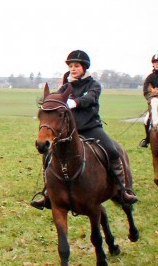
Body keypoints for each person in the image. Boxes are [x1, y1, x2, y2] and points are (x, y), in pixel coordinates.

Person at [30, 50, 138, 209]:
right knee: (48, 155)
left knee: (112, 151)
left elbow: (90, 98)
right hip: (70, 133)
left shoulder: (93, 85)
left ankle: (122, 190)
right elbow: (55, 101)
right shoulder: (65, 87)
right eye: (71, 66)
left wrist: (74, 102)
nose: (73, 69)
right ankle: (47, 193)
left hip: (91, 128)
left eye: (76, 66)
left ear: (84, 68)